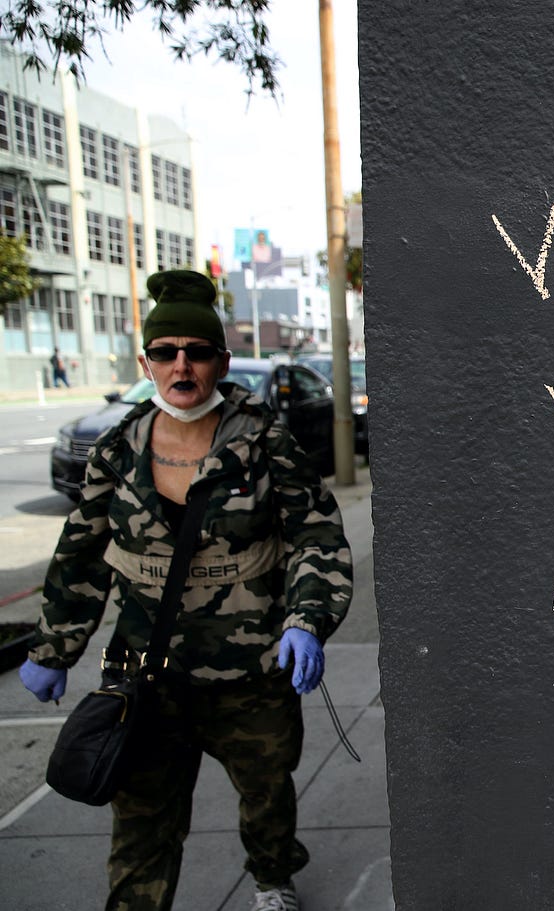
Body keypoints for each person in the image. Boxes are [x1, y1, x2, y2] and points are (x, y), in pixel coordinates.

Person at [18, 269, 352, 911]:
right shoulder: (116, 452)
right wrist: (54, 646)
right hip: (148, 675)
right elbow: (81, 552)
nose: (182, 366)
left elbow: (316, 535)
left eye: (197, 352)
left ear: (220, 361)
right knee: (141, 823)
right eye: (165, 352)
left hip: (251, 674)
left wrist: (306, 617)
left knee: (267, 795)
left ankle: (272, 878)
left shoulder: (264, 443)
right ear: (145, 361)